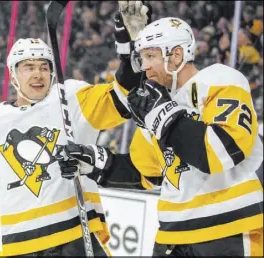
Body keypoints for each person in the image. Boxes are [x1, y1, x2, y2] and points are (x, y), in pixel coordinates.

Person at [58, 16, 264, 256]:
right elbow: (145, 171)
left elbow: (220, 152)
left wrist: (164, 114)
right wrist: (97, 162)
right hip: (171, 237)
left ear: (176, 55)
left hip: (229, 232)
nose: (144, 66)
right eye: (142, 58)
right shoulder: (155, 104)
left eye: (150, 57)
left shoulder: (219, 79)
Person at [0, 34, 140, 256]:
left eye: (43, 66)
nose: (37, 73)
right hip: (20, 246)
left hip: (74, 238)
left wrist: (130, 53)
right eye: (28, 67)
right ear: (13, 75)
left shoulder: (71, 97)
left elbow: (122, 97)